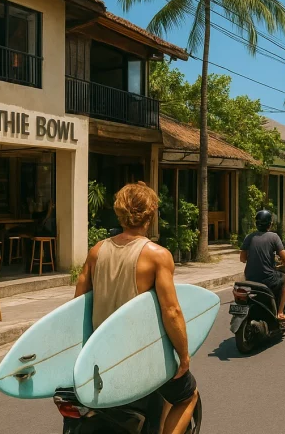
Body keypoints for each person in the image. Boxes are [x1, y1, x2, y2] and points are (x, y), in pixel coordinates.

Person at [74, 182, 197, 434]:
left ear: (119, 212)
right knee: (187, 396)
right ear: (150, 215)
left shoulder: (97, 251)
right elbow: (171, 312)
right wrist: (183, 357)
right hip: (140, 357)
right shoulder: (157, 255)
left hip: (100, 356)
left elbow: (78, 306)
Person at [239, 210, 285, 321]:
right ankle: (280, 313)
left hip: (250, 277)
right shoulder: (274, 237)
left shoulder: (249, 237)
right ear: (270, 224)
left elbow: (242, 259)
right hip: (268, 278)